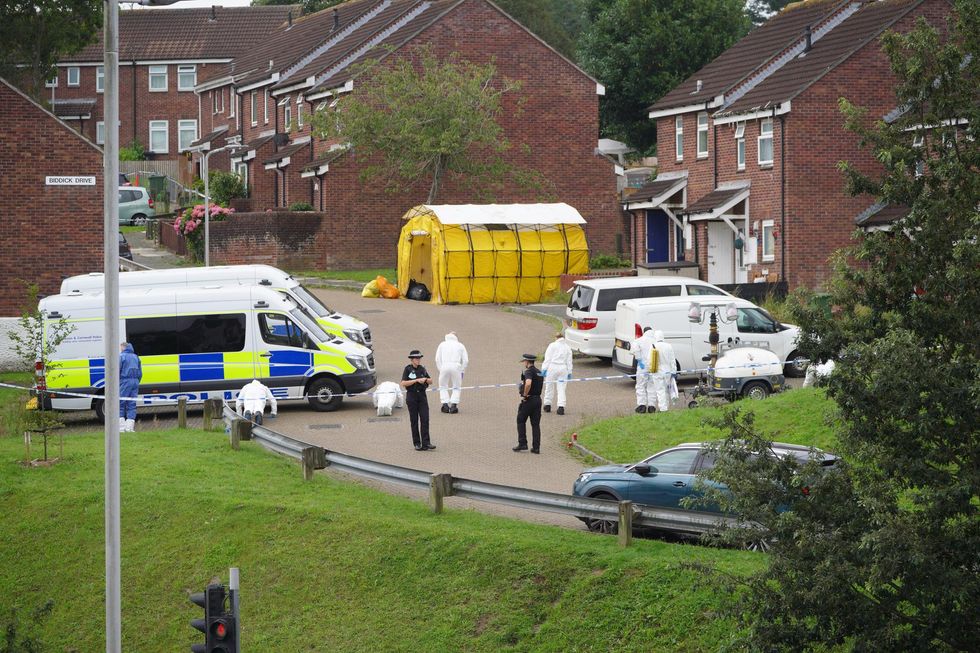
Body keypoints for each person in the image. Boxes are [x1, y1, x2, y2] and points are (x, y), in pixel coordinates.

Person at [400, 350, 435, 451]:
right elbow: (403, 383)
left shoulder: (422, 369)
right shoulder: (407, 369)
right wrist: (416, 380)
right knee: (414, 420)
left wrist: (425, 380)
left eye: (419, 358)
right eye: (416, 358)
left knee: (425, 419)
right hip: (412, 397)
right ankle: (417, 443)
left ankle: (426, 443)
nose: (418, 360)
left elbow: (431, 380)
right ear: (412, 359)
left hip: (422, 397)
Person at [513, 353, 544, 453]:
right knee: (535, 424)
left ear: (527, 362)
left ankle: (523, 444)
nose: (524, 364)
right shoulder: (539, 372)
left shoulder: (528, 372)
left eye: (524, 362)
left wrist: (525, 394)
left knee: (520, 420)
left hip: (529, 400)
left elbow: (528, 383)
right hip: (538, 400)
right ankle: (536, 447)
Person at [435, 332, 468, 414]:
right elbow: (466, 360)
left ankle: (445, 405)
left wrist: (441, 369)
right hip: (456, 366)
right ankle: (454, 406)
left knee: (442, 386)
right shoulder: (460, 345)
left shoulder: (442, 344)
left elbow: (437, 359)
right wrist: (462, 370)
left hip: (444, 366)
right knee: (456, 386)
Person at [541, 331, 573, 415]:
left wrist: (544, 369)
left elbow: (547, 358)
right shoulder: (567, 347)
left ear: (556, 338)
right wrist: (569, 372)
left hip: (552, 368)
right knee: (561, 388)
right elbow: (569, 361)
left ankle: (547, 405)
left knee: (549, 386)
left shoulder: (552, 345)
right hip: (563, 368)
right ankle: (561, 407)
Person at [632, 326, 658, 413]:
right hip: (654, 367)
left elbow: (635, 350)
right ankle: (652, 407)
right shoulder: (656, 340)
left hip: (642, 367)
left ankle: (642, 406)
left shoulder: (639, 340)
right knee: (652, 386)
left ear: (644, 332)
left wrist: (639, 360)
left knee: (640, 386)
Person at [650, 330, 677, 413]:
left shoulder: (653, 346)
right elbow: (673, 360)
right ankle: (666, 407)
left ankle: (663, 409)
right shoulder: (669, 346)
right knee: (666, 390)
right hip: (668, 371)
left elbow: (649, 360)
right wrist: (674, 371)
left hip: (657, 371)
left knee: (660, 390)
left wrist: (650, 370)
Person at [119, 342, 142, 432]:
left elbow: (117, 370)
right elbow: (140, 373)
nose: (120, 350)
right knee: (132, 404)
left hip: (125, 381)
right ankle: (129, 428)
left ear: (123, 348)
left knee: (120, 403)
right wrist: (136, 381)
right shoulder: (136, 357)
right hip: (135, 381)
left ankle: (121, 428)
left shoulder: (122, 357)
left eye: (121, 348)